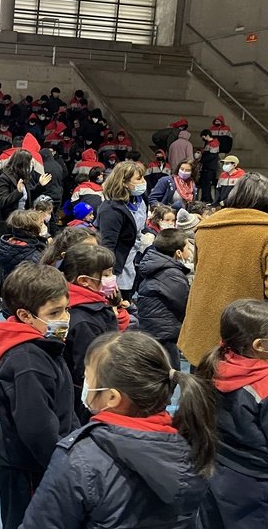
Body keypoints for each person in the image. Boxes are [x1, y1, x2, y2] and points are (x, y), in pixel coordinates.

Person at [20, 331, 214, 528]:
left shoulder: (79, 459)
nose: (85, 383)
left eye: (88, 377)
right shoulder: (193, 442)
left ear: (112, 397)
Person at [0, 262, 79, 528]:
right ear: (25, 316)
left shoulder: (44, 346)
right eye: (54, 312)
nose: (65, 318)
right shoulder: (28, 363)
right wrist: (63, 470)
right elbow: (37, 431)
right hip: (29, 469)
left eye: (66, 309)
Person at [179, 173, 268, 366]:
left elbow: (198, 270)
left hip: (201, 331)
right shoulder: (265, 232)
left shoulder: (206, 227)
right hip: (245, 338)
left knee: (201, 381)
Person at [197, 299, 268, 527]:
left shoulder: (215, 363)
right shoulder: (263, 386)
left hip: (217, 470)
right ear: (259, 345)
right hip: (257, 482)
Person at [0, 148, 51, 312]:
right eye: (30, 163)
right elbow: (3, 201)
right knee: (1, 260)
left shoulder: (24, 179)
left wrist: (39, 186)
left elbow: (27, 197)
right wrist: (17, 192)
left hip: (18, 227)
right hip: (3, 225)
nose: (31, 167)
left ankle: (6, 292)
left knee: (11, 260)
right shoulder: (4, 178)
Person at [61, 244, 120, 421]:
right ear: (84, 281)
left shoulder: (94, 305)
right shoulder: (85, 321)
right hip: (87, 400)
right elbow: (88, 369)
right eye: (106, 274)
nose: (112, 278)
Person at [137, 229, 192, 371]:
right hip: (164, 333)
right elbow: (185, 305)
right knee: (170, 374)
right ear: (178, 252)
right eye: (187, 247)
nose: (190, 250)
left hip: (154, 329)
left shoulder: (158, 265)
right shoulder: (171, 274)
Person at [96, 161, 147, 301]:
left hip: (134, 259)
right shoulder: (111, 210)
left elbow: (141, 225)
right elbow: (107, 245)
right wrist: (108, 276)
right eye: (139, 179)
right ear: (124, 182)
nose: (143, 182)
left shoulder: (140, 199)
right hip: (119, 266)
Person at [199, 129, 221, 203]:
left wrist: (202, 160)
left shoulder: (214, 144)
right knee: (204, 184)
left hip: (210, 167)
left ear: (207, 135)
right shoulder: (209, 143)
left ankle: (207, 199)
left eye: (204, 137)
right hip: (207, 167)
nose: (203, 139)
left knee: (207, 184)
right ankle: (205, 198)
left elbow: (211, 156)